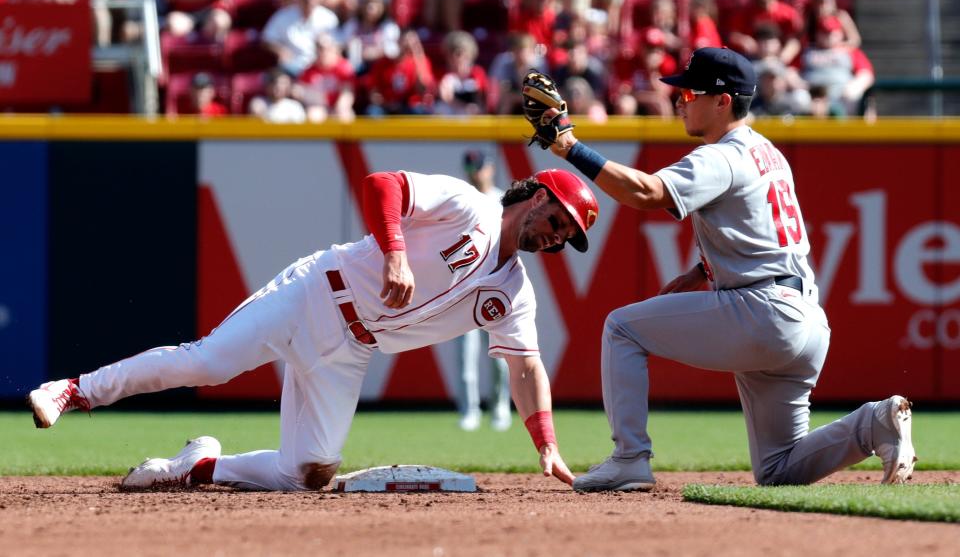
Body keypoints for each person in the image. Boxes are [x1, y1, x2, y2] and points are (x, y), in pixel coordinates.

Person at [28, 168, 599, 492]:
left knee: (309, 474)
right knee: (207, 362)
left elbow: (526, 366)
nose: (557, 239)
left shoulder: (515, 293)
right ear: (540, 197)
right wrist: (395, 255)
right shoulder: (468, 205)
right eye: (559, 222)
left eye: (568, 238)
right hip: (316, 294)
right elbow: (384, 185)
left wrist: (545, 445)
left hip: (351, 349)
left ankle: (194, 466)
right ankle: (74, 389)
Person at [521, 47, 917, 492]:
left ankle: (630, 457)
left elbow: (648, 193)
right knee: (778, 470)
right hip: (805, 320)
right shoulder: (767, 152)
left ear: (723, 100)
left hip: (763, 312)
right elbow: (757, 232)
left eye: (690, 92)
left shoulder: (722, 156)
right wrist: (701, 273)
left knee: (621, 329)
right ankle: (874, 424)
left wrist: (569, 146)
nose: (679, 100)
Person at [455, 150, 511, 432]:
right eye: (470, 167)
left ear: (490, 168)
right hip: (465, 287)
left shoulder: (504, 200)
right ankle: (470, 411)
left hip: (496, 286)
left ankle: (500, 408)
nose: (474, 172)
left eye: (478, 167)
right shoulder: (462, 199)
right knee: (466, 356)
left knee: (499, 355)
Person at [261, 0, 339, 78]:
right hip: (293, 67)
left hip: (320, 69)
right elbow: (266, 39)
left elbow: (337, 46)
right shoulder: (283, 16)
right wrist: (280, 50)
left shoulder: (329, 18)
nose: (309, 1)